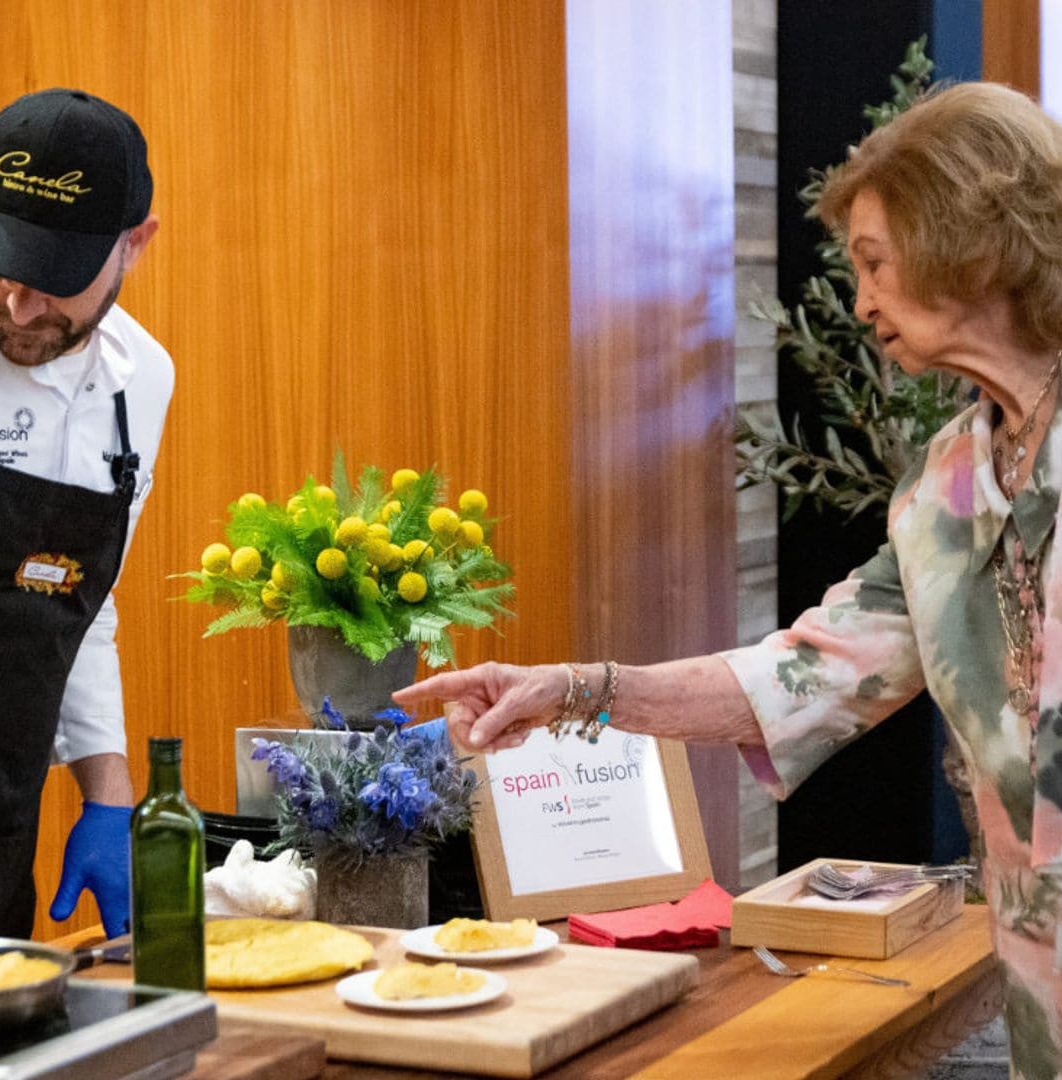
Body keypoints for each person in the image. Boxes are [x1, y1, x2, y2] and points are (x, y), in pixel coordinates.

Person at [395, 81, 1062, 1078]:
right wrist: (577, 692)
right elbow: (806, 672)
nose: (864, 301)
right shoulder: (951, 487)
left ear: (968, 241)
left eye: (876, 264)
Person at [0, 88, 172, 939]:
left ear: (136, 243)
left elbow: (73, 607)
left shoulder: (142, 382)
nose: (19, 306)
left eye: (53, 278)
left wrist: (108, 792)